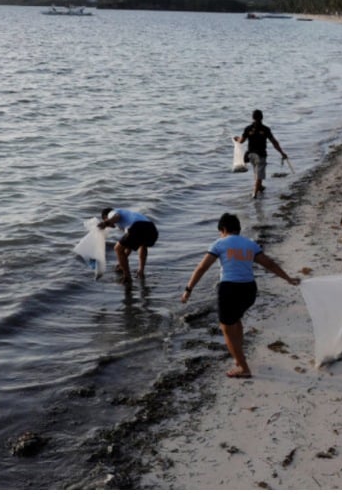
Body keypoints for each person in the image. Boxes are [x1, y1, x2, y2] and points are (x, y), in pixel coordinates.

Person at [180, 213, 299, 378]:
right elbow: (269, 264)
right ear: (238, 229)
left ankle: (243, 367)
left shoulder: (219, 243)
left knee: (226, 328)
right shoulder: (250, 244)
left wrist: (188, 289)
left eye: (220, 232)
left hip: (229, 289)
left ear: (223, 229)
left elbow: (202, 268)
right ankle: (239, 357)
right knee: (235, 321)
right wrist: (288, 278)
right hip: (249, 290)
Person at [234, 110, 288, 198]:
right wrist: (282, 153)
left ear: (252, 117)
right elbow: (274, 142)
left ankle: (260, 187)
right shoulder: (266, 129)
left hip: (250, 155)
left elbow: (242, 141)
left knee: (257, 171)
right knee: (259, 174)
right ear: (262, 117)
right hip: (261, 155)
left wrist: (237, 138)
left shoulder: (248, 128)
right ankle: (254, 194)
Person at [98, 207, 158, 281]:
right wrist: (121, 263)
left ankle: (127, 277)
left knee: (117, 249)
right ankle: (141, 271)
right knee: (142, 244)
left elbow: (117, 216)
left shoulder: (112, 213)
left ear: (105, 217)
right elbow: (129, 246)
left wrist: (105, 223)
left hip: (138, 226)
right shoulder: (128, 217)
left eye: (104, 219)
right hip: (152, 229)